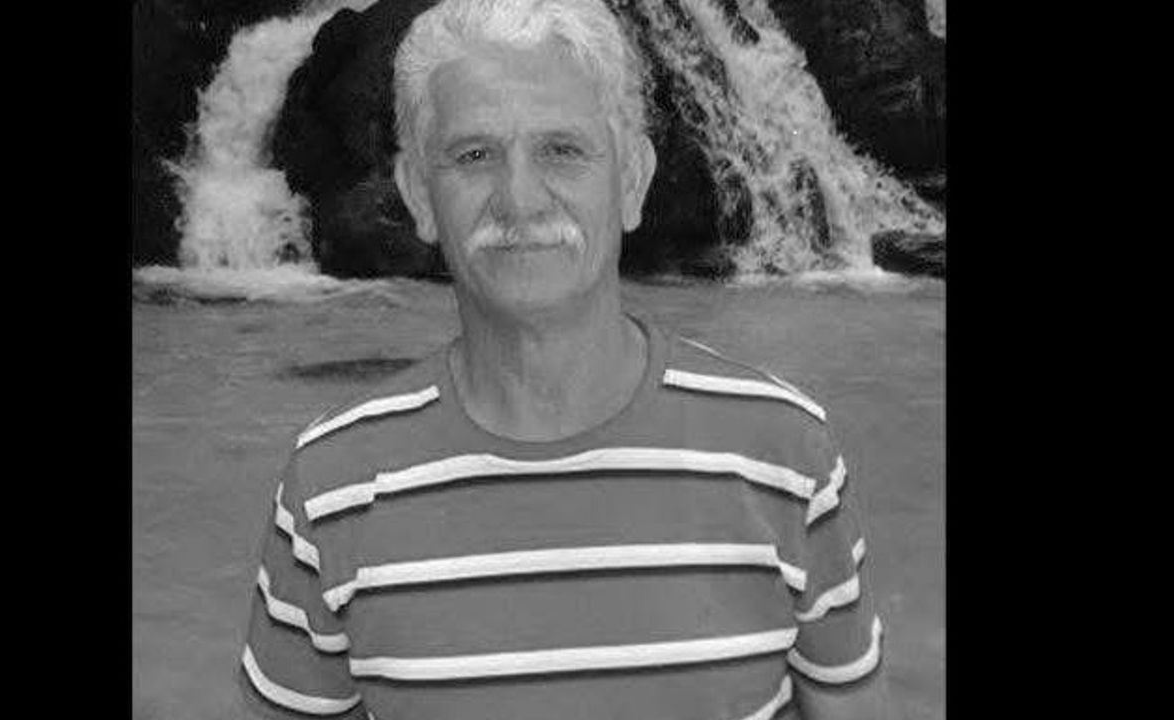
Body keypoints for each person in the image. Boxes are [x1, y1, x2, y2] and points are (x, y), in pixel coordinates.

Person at [240, 0, 887, 717]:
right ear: (418, 195)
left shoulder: (785, 453)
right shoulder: (331, 485)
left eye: (562, 150)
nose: (520, 200)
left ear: (633, 179)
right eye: (474, 155)